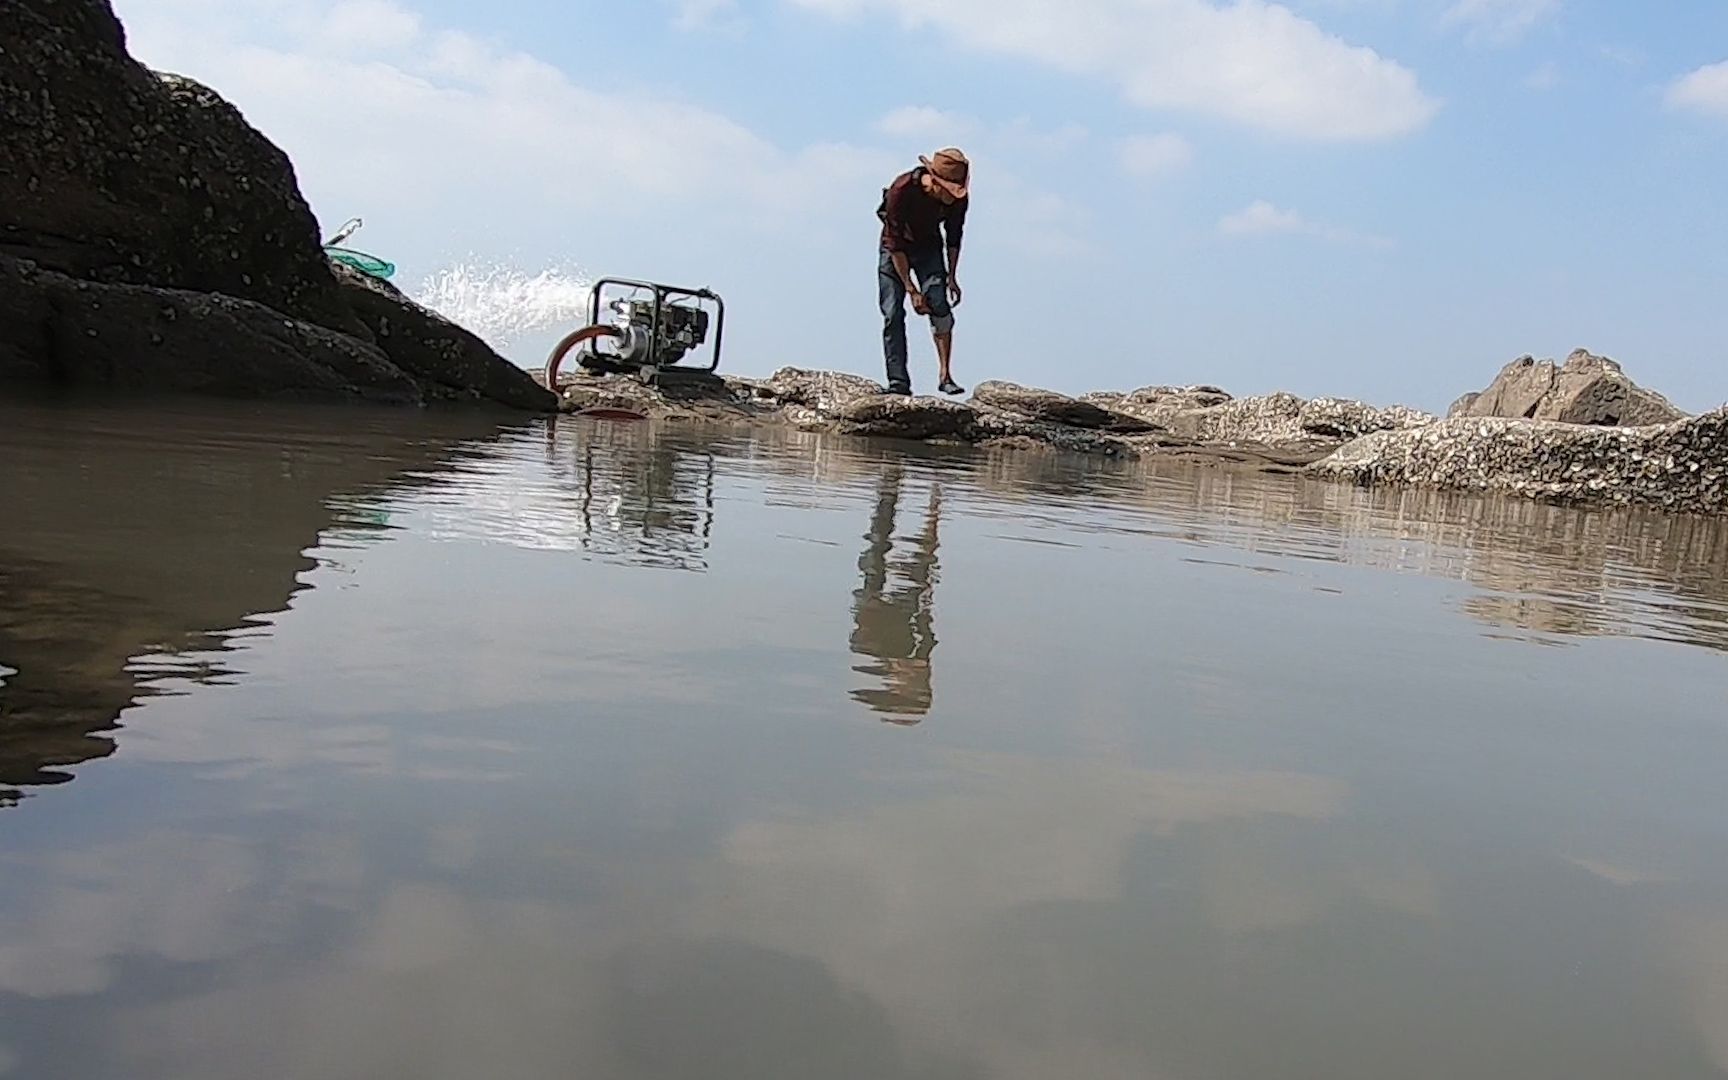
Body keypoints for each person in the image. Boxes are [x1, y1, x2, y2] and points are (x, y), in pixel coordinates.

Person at [877, 147, 970, 397]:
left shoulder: (958, 201)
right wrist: (911, 289)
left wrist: (952, 276)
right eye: (950, 191)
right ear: (935, 182)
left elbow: (954, 237)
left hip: (929, 246)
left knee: (939, 301)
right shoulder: (902, 190)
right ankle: (898, 382)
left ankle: (945, 375)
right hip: (896, 249)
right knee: (892, 312)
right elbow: (894, 243)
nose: (954, 197)